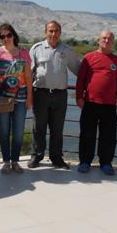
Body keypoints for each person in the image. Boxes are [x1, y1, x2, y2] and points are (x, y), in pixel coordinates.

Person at [28, 20, 80, 170]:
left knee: (57, 129)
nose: (53, 34)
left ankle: (56, 158)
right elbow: (29, 73)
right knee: (38, 127)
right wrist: (28, 95)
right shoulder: (36, 49)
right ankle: (36, 156)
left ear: (60, 33)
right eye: (50, 31)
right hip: (41, 94)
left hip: (60, 95)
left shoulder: (67, 51)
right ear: (45, 32)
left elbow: (79, 70)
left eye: (56, 31)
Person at [75, 30, 117, 176]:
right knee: (87, 134)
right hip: (90, 103)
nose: (106, 40)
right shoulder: (89, 57)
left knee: (108, 136)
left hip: (109, 105)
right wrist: (79, 97)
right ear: (98, 40)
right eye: (104, 38)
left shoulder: (116, 60)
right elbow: (80, 80)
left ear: (113, 42)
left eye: (110, 38)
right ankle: (85, 161)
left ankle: (106, 163)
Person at [0, 23, 33, 174]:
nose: (6, 39)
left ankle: (15, 161)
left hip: (21, 98)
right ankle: (6, 162)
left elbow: (29, 77)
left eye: (8, 35)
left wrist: (30, 97)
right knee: (4, 130)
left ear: (14, 35)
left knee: (18, 131)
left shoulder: (24, 53)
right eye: (2, 36)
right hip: (2, 98)